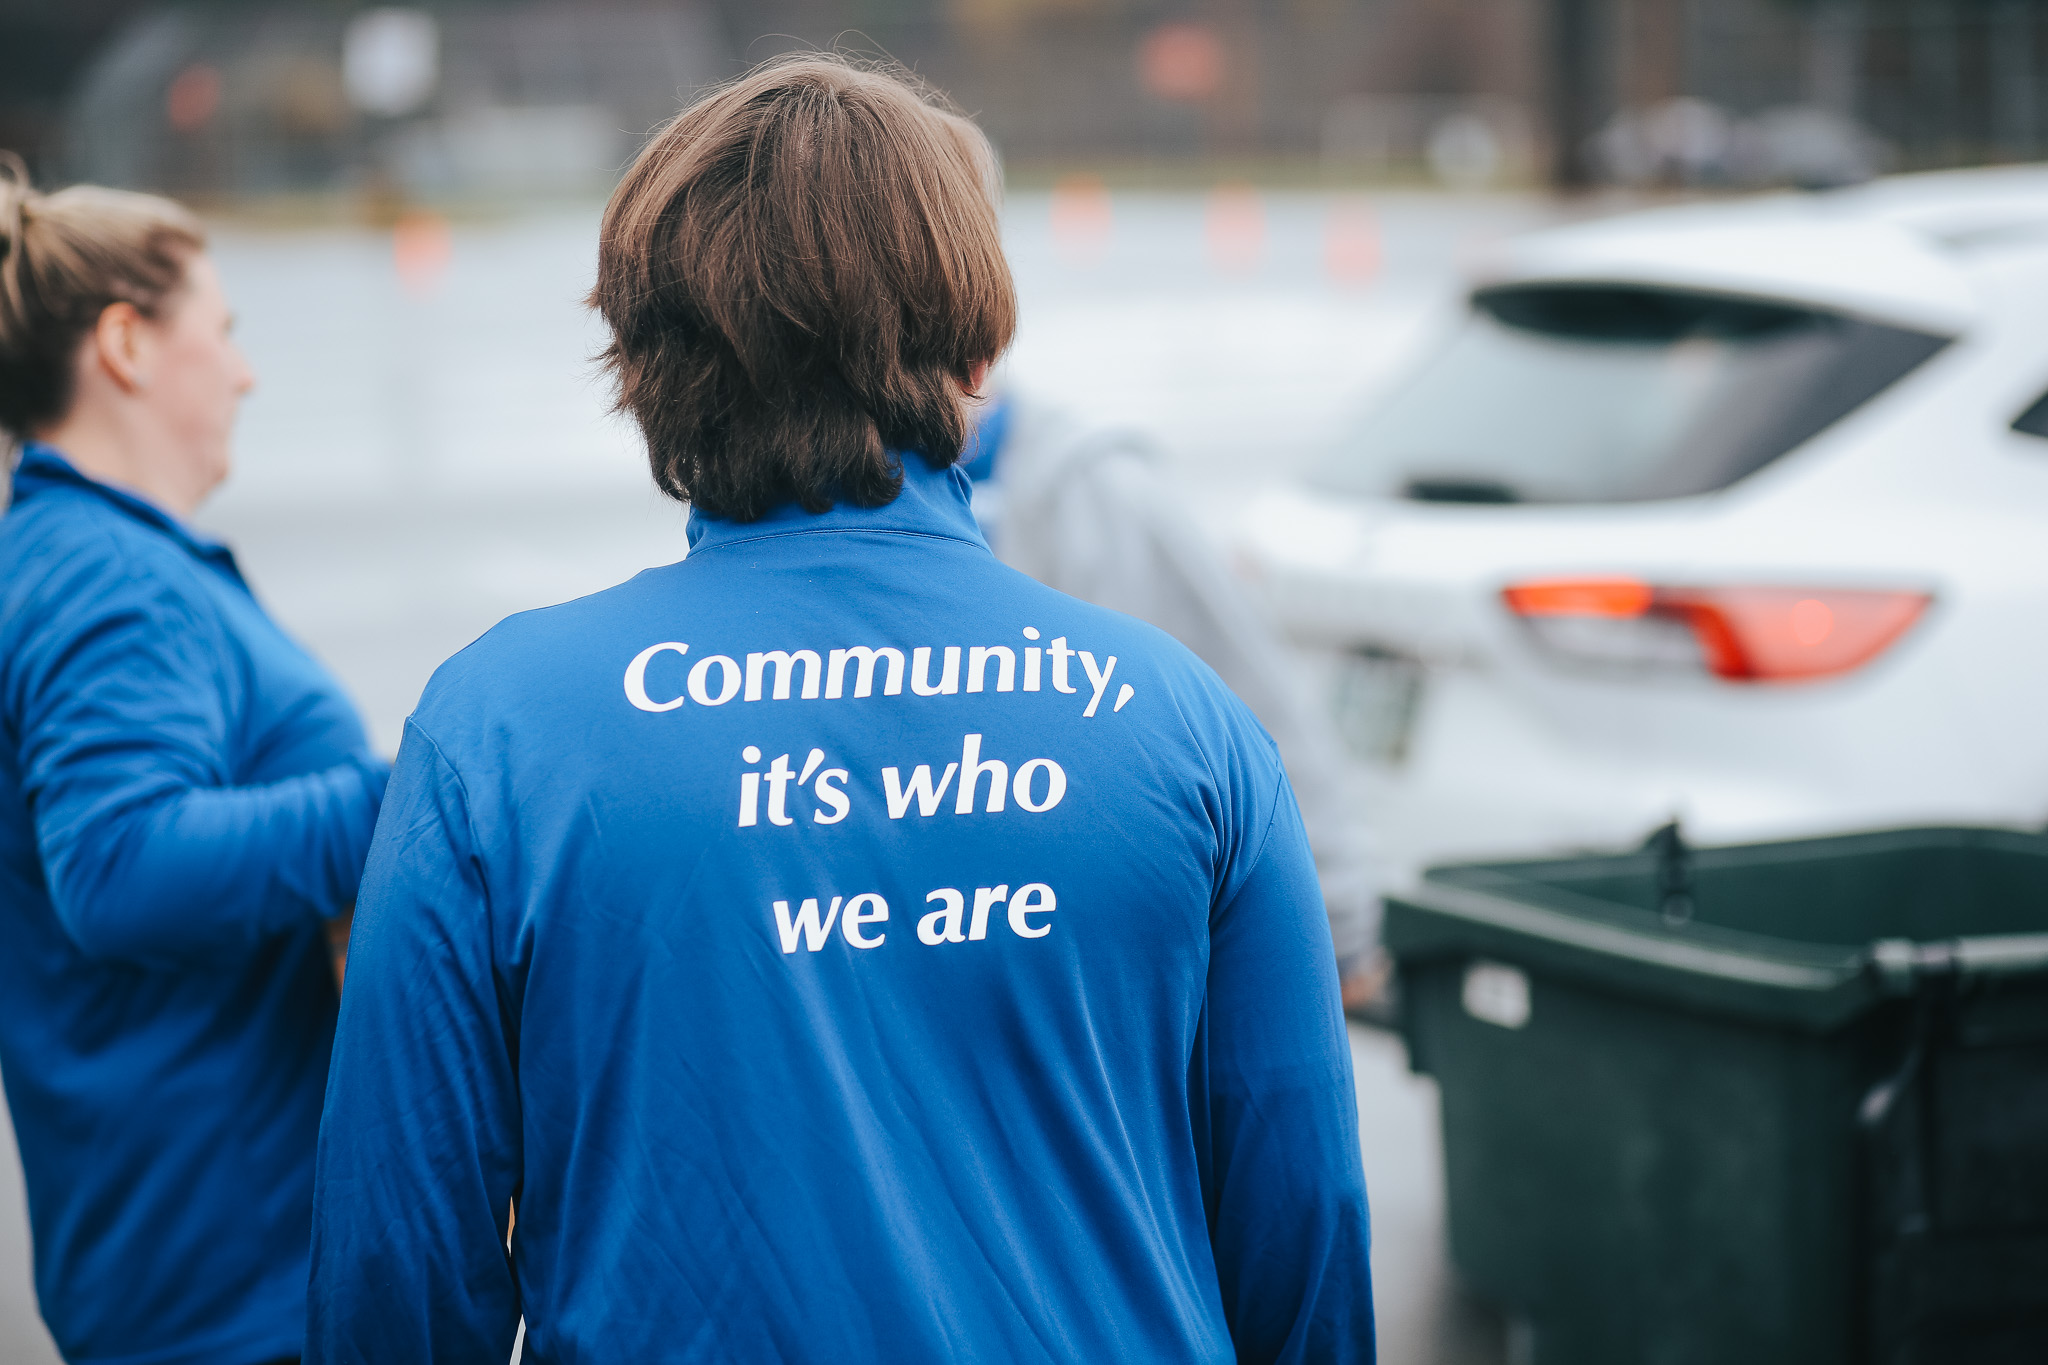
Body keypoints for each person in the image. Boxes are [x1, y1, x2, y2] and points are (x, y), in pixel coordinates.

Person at [307, 57, 1374, 1363]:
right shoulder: (1186, 725)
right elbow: (1303, 1221)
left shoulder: (497, 730)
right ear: (979, 355)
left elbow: (396, 1261)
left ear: (642, 367)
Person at [0, 157, 388, 1365]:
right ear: (125, 345)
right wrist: (403, 799)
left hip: (186, 1258)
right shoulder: (104, 578)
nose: (245, 370)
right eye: (221, 331)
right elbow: (116, 865)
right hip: (226, 1282)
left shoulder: (85, 553)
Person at [963, 390, 1390, 1007]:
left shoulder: (1093, 490)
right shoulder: (811, 503)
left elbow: (1250, 705)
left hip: (1107, 969)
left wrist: (1337, 916)